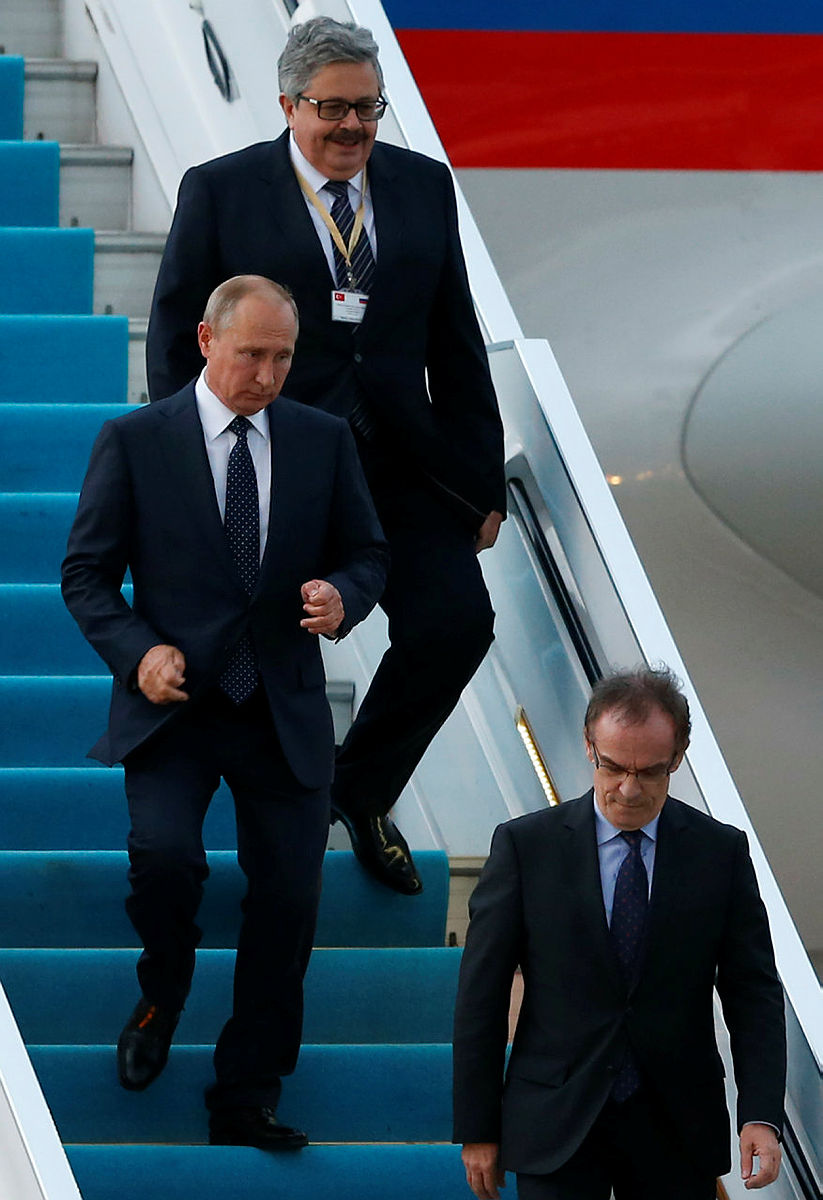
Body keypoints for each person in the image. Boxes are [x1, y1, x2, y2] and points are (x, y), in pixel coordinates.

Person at [145, 16, 506, 896]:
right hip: (273, 459)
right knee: (260, 650)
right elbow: (174, 338)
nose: (352, 127)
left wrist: (481, 482)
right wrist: (183, 468)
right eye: (333, 108)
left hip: (403, 462)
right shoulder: (223, 190)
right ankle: (236, 833)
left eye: (367, 109)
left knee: (456, 623)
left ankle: (361, 787)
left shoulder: (423, 186)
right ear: (287, 105)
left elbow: (456, 341)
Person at [61, 275, 388, 1149]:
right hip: (175, 709)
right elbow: (85, 575)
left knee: (289, 899)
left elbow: (367, 552)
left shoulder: (321, 440)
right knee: (166, 861)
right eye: (251, 355)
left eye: (283, 357)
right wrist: (140, 652)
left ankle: (247, 1092)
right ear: (206, 341)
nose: (268, 375)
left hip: (280, 707)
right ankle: (162, 995)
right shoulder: (135, 440)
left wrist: (343, 597)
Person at [453, 667, 786, 1200]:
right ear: (589, 747)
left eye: (650, 772)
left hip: (677, 1125)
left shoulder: (719, 853)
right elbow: (481, 995)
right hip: (555, 1119)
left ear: (677, 758)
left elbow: (754, 993)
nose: (629, 790)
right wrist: (478, 1126)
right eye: (613, 767)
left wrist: (761, 1115)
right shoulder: (526, 847)